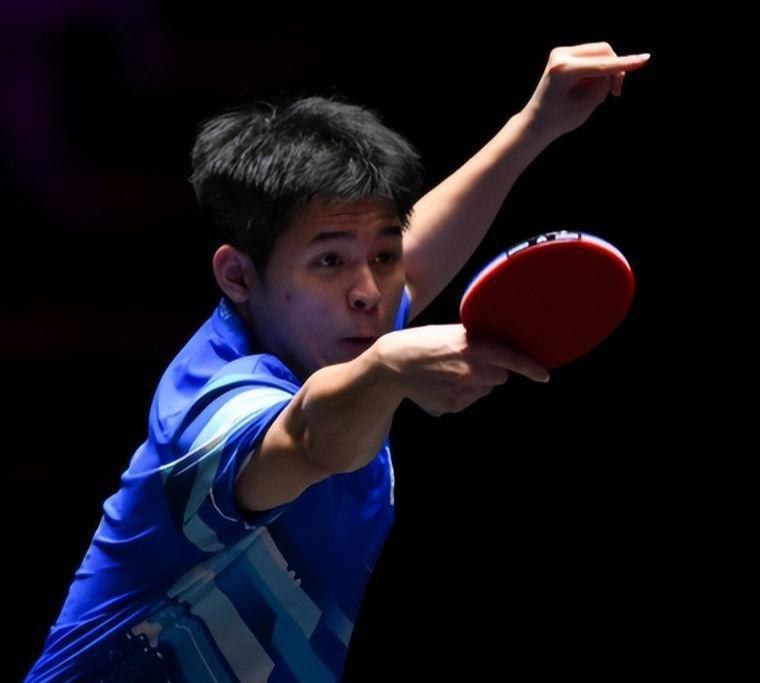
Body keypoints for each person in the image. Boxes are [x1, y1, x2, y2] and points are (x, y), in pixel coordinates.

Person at [25, 42, 649, 681]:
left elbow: (413, 257)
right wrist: (386, 369)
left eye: (383, 257)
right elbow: (309, 439)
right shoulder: (211, 405)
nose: (370, 291)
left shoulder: (330, 326)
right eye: (329, 260)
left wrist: (532, 126)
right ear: (237, 275)